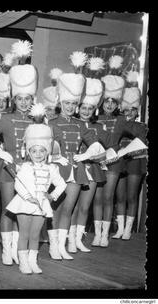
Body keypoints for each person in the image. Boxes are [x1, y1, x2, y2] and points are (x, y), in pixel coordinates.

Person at [0, 40, 36, 265]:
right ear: (14, 99)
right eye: (20, 98)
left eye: (27, 98)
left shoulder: (39, 120)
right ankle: (7, 249)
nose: (23, 102)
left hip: (31, 171)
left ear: (33, 99)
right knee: (8, 208)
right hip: (8, 170)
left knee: (25, 211)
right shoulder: (7, 119)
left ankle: (19, 249)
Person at [48, 51, 105, 260]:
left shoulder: (81, 125)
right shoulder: (51, 123)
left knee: (69, 208)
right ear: (60, 102)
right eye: (67, 103)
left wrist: (85, 155)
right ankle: (54, 245)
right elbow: (42, 149)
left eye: (73, 103)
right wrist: (54, 158)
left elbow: (97, 145)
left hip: (75, 169)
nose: (71, 107)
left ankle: (62, 245)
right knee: (56, 207)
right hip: (57, 169)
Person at [6, 104, 66, 274]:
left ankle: (33, 261)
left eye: (42, 151)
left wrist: (52, 196)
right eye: (34, 151)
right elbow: (18, 184)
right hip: (25, 203)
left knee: (35, 235)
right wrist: (27, 197)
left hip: (42, 203)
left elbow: (62, 184)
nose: (38, 154)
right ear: (28, 151)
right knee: (24, 233)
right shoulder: (23, 167)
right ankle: (23, 262)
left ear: (47, 152)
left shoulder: (52, 168)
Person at [94, 55, 145, 247]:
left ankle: (105, 235)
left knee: (108, 197)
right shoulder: (95, 119)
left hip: (114, 163)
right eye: (106, 101)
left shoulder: (122, 120)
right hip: (96, 162)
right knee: (97, 198)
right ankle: (97, 234)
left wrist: (122, 153)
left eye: (112, 102)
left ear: (117, 104)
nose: (109, 105)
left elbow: (140, 136)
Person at [68, 57, 111, 253]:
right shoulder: (72, 123)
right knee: (72, 206)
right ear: (79, 107)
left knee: (85, 206)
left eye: (90, 108)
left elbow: (102, 149)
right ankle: (68, 238)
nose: (86, 111)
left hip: (92, 168)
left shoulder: (99, 127)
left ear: (95, 109)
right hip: (75, 168)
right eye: (83, 107)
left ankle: (79, 239)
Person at [112, 71, 148, 241]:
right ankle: (119, 228)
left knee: (132, 196)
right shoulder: (118, 123)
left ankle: (128, 229)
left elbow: (138, 138)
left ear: (137, 111)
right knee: (120, 197)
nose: (129, 113)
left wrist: (124, 123)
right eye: (126, 110)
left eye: (133, 110)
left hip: (135, 162)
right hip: (120, 162)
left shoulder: (141, 126)